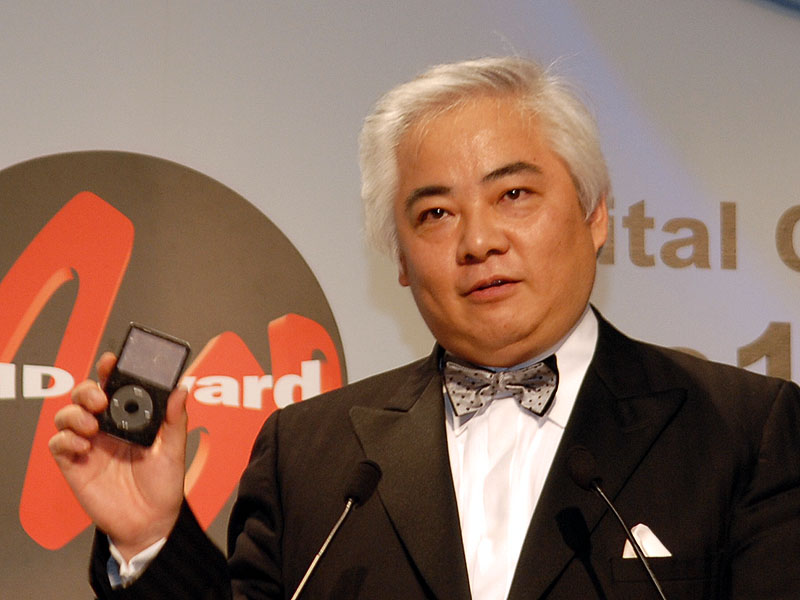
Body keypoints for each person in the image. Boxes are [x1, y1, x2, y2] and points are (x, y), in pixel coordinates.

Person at [50, 57, 800, 599]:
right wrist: (148, 538)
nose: (479, 241)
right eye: (436, 213)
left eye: (514, 194)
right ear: (401, 260)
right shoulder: (310, 457)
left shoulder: (744, 431)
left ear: (595, 215)